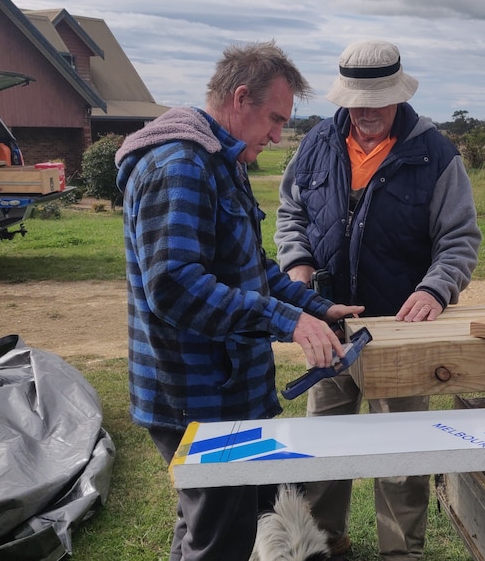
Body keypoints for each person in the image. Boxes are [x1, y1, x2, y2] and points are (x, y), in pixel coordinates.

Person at [115, 40, 363, 561]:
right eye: (274, 119)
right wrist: (286, 322)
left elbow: (252, 268)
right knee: (222, 540)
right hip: (197, 393)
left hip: (227, 390)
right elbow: (174, 286)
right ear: (240, 98)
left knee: (208, 525)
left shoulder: (219, 161)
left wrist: (313, 308)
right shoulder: (179, 166)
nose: (277, 135)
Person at [274, 40, 481, 560]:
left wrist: (435, 289)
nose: (365, 111)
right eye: (355, 101)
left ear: (399, 93)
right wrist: (296, 263)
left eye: (377, 100)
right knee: (324, 445)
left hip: (402, 330)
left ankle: (400, 553)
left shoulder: (435, 153)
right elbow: (290, 214)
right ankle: (325, 544)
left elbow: (459, 241)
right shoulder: (316, 143)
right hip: (329, 325)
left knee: (402, 453)